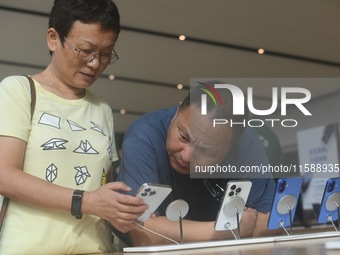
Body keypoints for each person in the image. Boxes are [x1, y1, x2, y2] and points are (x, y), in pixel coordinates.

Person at [0, 1, 147, 254]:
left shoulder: (101, 109)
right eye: (86, 50)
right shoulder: (19, 91)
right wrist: (87, 201)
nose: (95, 63)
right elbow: (5, 175)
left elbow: (104, 186)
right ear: (53, 39)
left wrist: (119, 210)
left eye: (105, 53)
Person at [117, 82, 283, 246]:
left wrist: (167, 230)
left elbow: (272, 222)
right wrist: (224, 230)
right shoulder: (144, 136)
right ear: (177, 111)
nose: (186, 156)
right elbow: (141, 234)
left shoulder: (246, 141)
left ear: (232, 147)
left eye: (206, 151)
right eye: (183, 137)